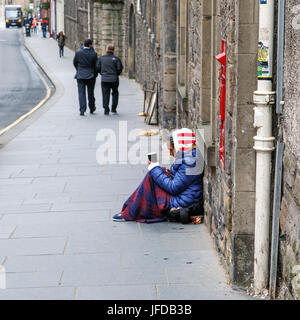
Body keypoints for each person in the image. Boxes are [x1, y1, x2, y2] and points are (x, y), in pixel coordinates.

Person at [113, 128, 204, 223]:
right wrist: (165, 172)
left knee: (151, 176)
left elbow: (173, 188)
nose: (170, 153)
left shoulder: (190, 162)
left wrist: (154, 168)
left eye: (171, 149)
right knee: (156, 173)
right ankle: (131, 210)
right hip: (184, 195)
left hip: (183, 202)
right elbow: (181, 180)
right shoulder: (188, 155)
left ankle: (131, 212)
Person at [73, 39, 98, 116]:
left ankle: (82, 110)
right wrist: (95, 74)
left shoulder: (78, 53)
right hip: (90, 75)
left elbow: (75, 63)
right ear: (90, 45)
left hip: (80, 75)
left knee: (81, 93)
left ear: (84, 44)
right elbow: (96, 65)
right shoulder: (93, 54)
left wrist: (79, 70)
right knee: (90, 93)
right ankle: (92, 108)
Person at [96, 44, 123, 115]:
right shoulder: (116, 59)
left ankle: (106, 109)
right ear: (113, 50)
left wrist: (102, 73)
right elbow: (119, 68)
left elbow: (98, 68)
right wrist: (115, 74)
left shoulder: (101, 58)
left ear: (106, 50)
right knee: (115, 93)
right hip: (114, 79)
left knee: (105, 94)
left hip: (104, 79)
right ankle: (113, 108)